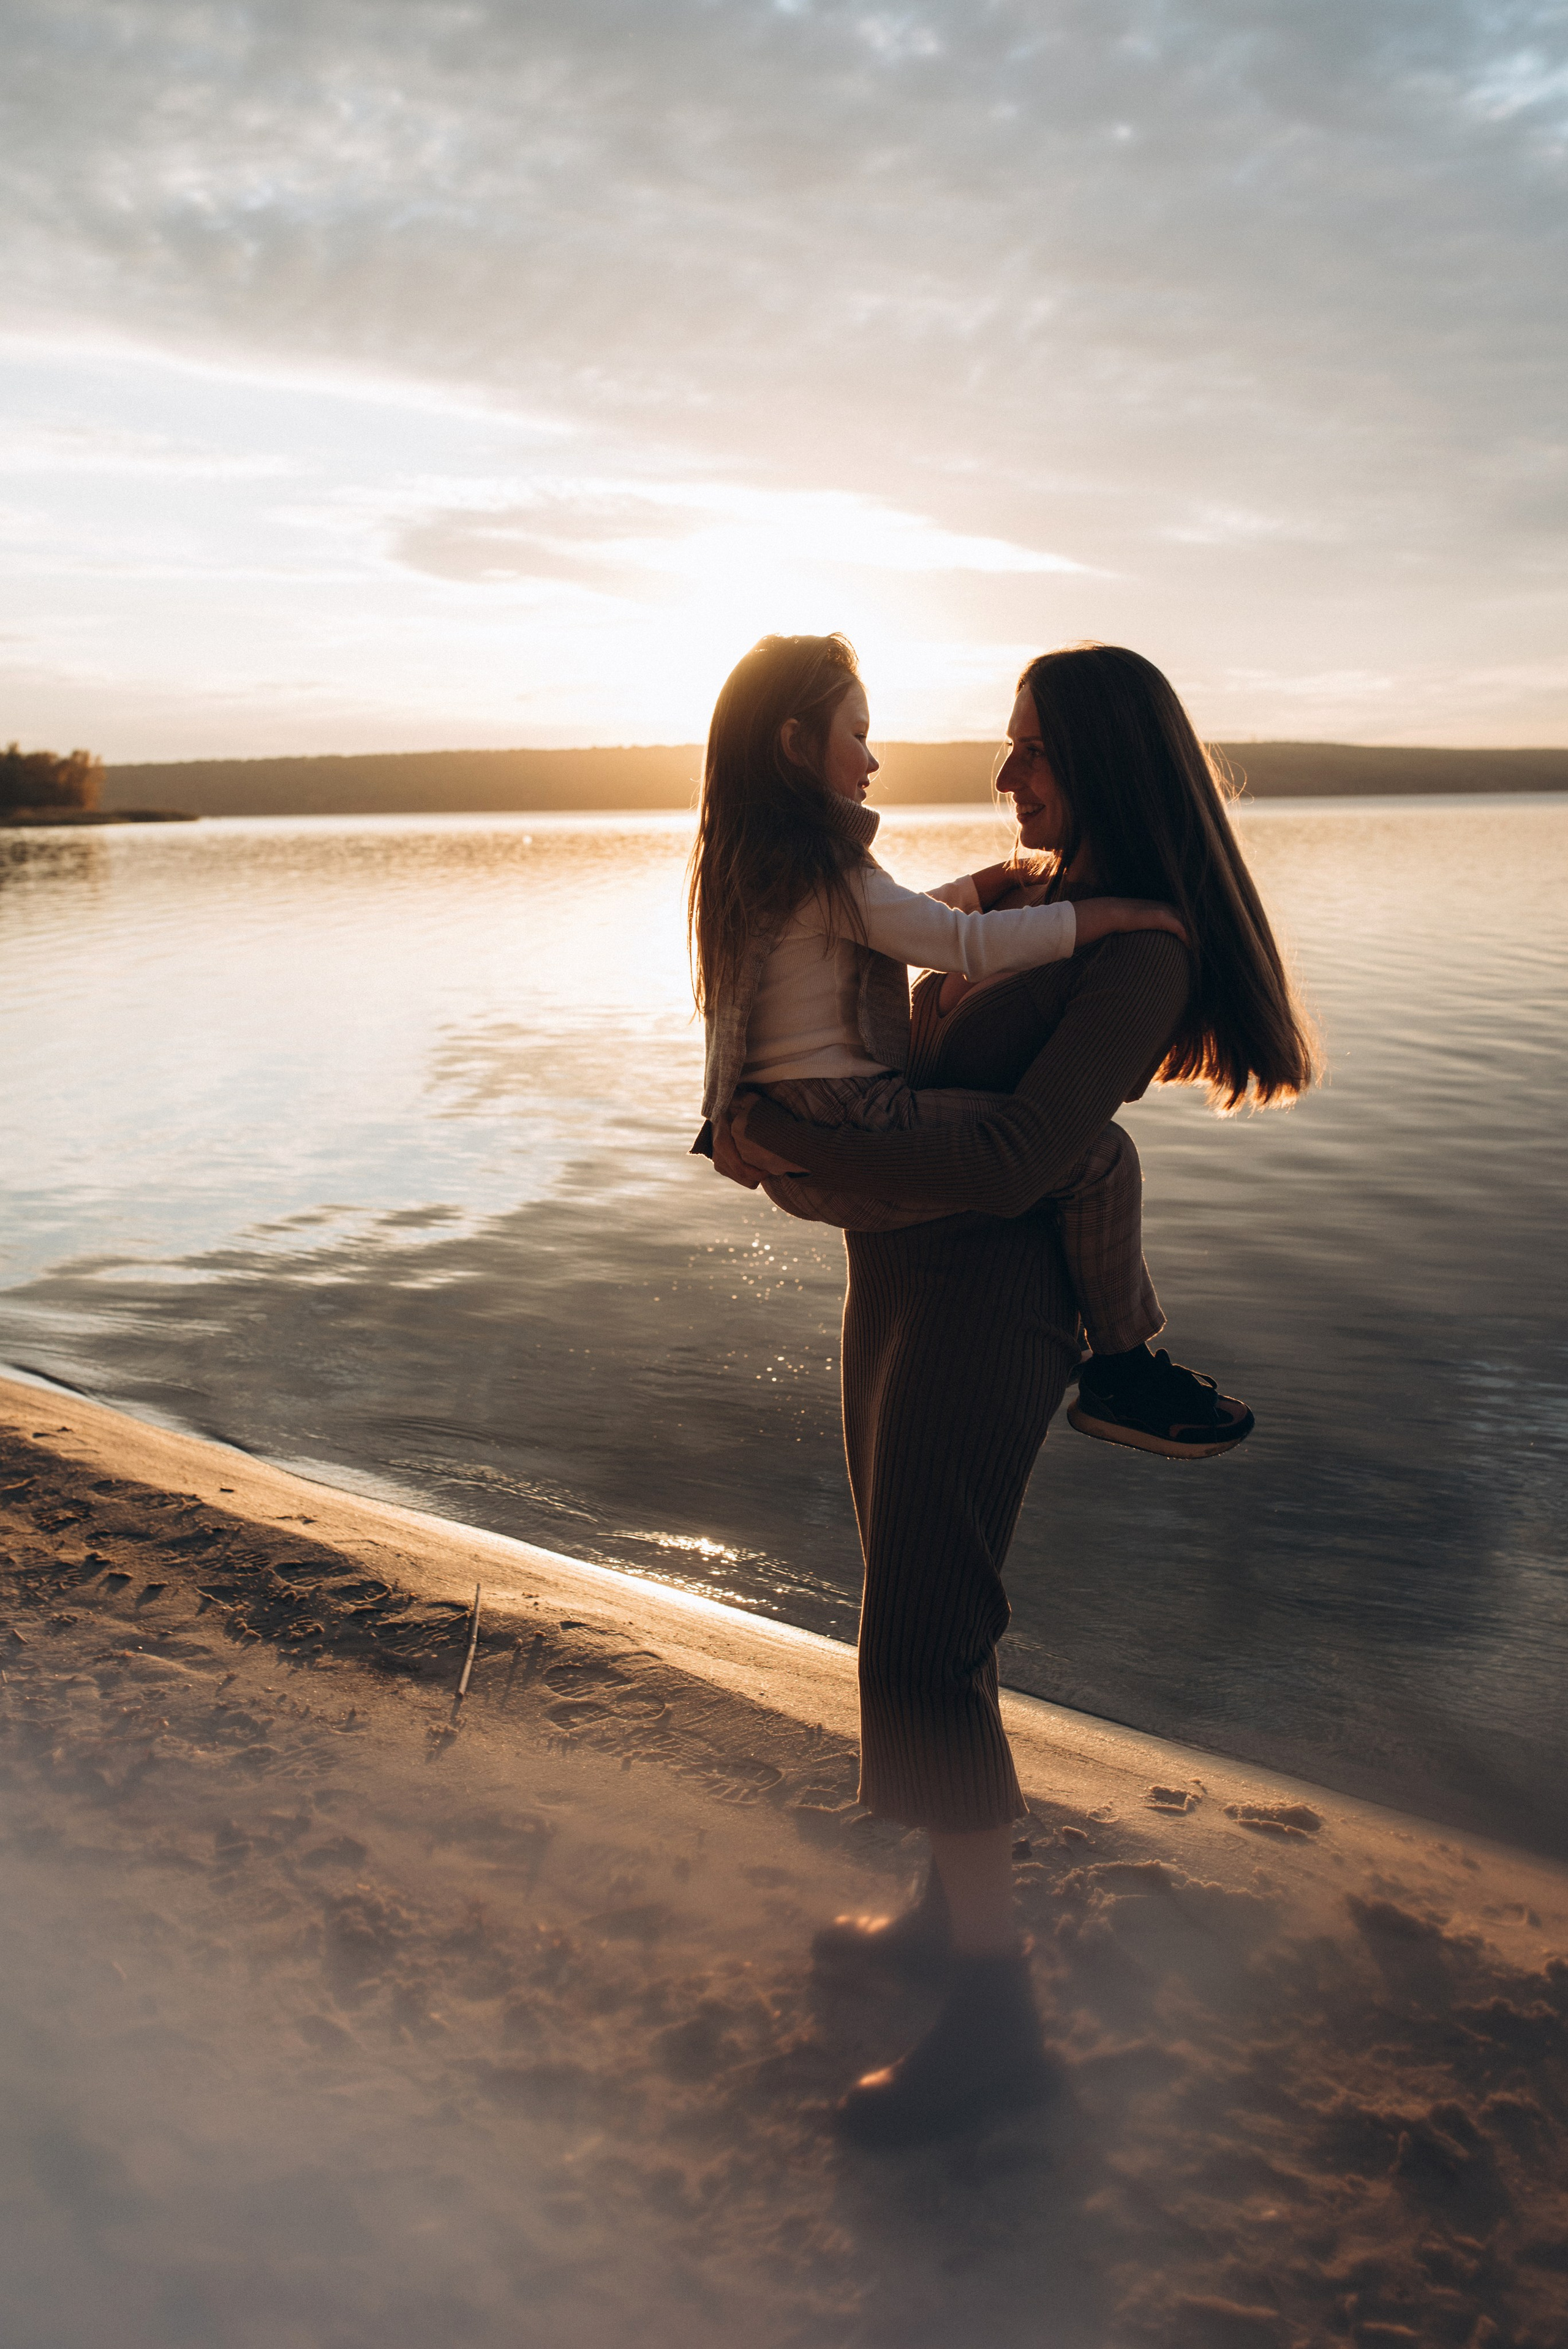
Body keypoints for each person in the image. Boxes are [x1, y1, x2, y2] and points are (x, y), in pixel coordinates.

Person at [710, 642, 1318, 2147]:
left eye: (1029, 749)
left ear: (1100, 762)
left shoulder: (1138, 951)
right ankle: (941, 1918)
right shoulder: (1044, 909)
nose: (1003, 773)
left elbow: (1013, 1162)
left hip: (991, 1301)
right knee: (905, 1593)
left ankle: (996, 2023)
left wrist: (800, 1154)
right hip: (901, 1277)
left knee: (931, 1625)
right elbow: (915, 1042)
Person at [691, 632, 1253, 1461]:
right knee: (1100, 1162)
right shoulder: (828, 868)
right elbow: (954, 943)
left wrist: (748, 1123)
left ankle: (1123, 1370)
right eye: (857, 734)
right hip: (848, 1131)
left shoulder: (761, 868)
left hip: (820, 1149)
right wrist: (1109, 915)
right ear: (795, 744)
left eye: (1031, 752)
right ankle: (1124, 1368)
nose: (873, 759)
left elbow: (892, 926)